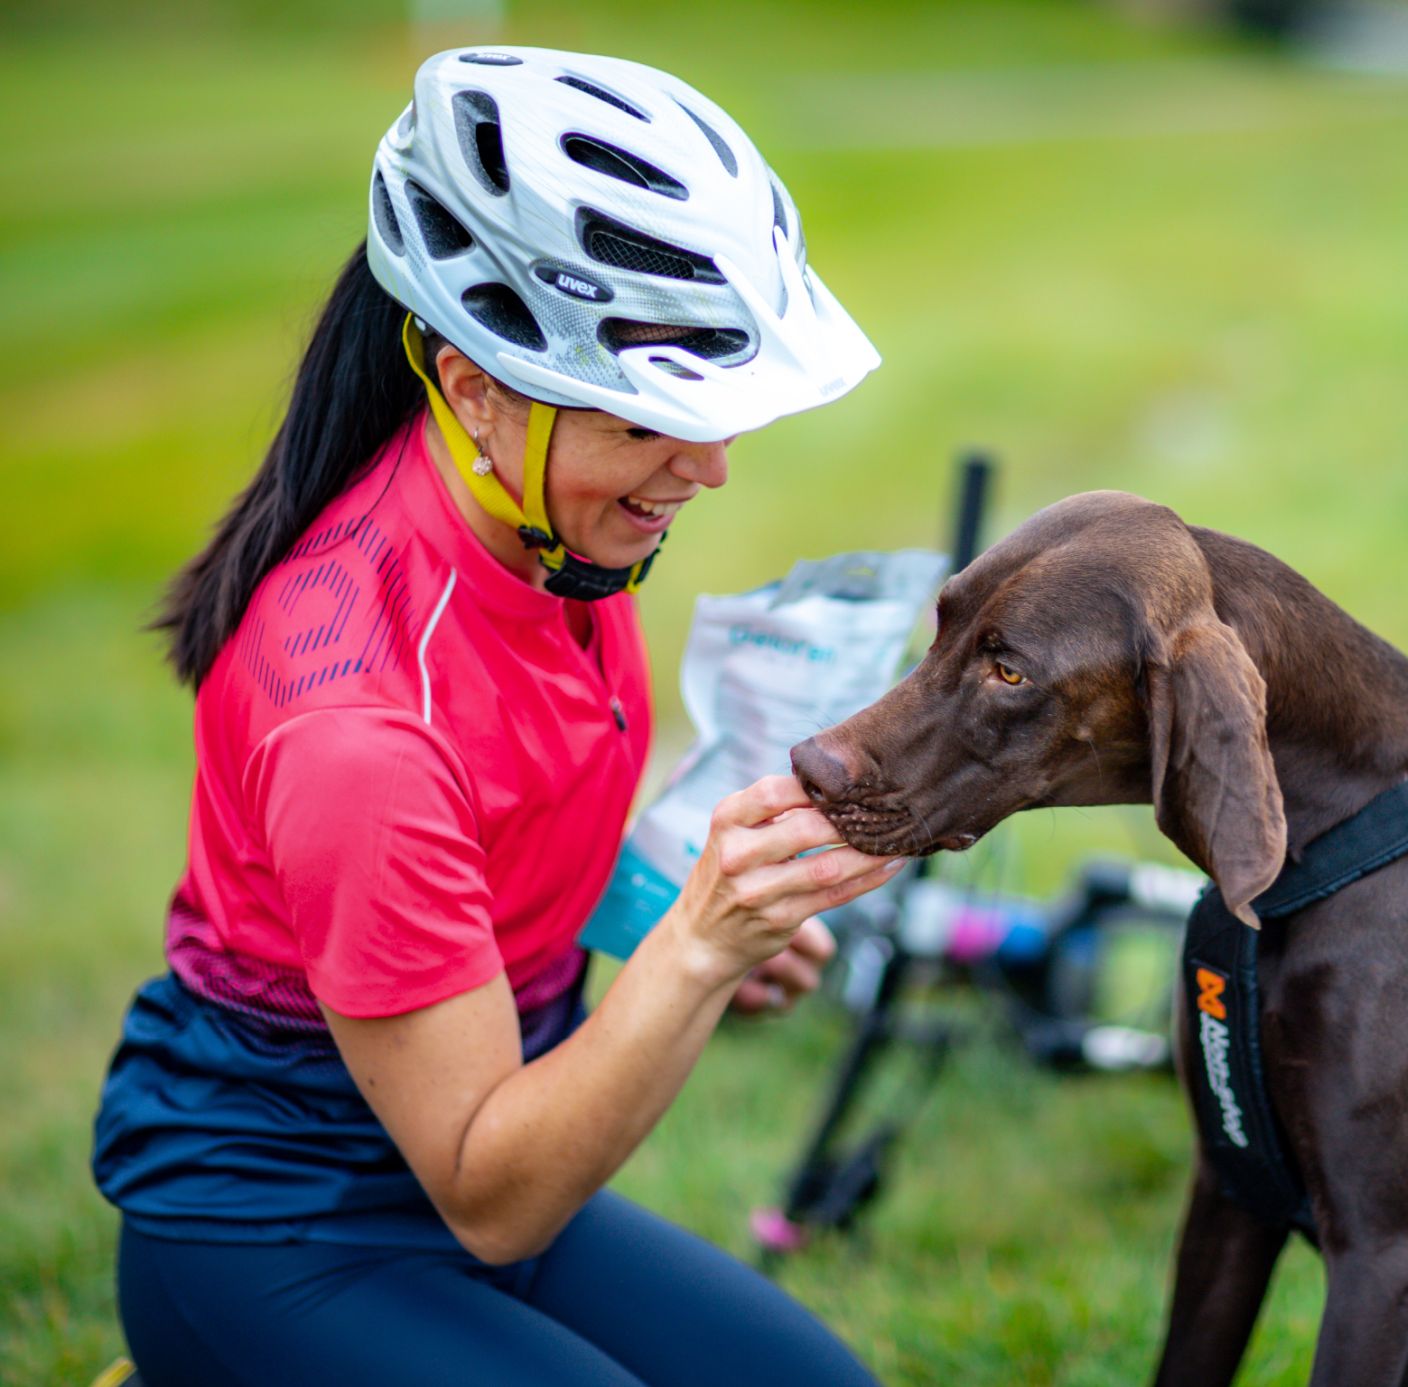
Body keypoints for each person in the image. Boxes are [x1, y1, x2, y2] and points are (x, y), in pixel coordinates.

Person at [91, 45, 899, 1387]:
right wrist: (694, 954)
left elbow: (509, 840)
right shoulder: (357, 722)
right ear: (472, 382)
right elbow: (492, 1192)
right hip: (287, 1230)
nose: (704, 468)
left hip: (472, 1149)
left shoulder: (546, 532)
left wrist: (672, 932)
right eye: (649, 420)